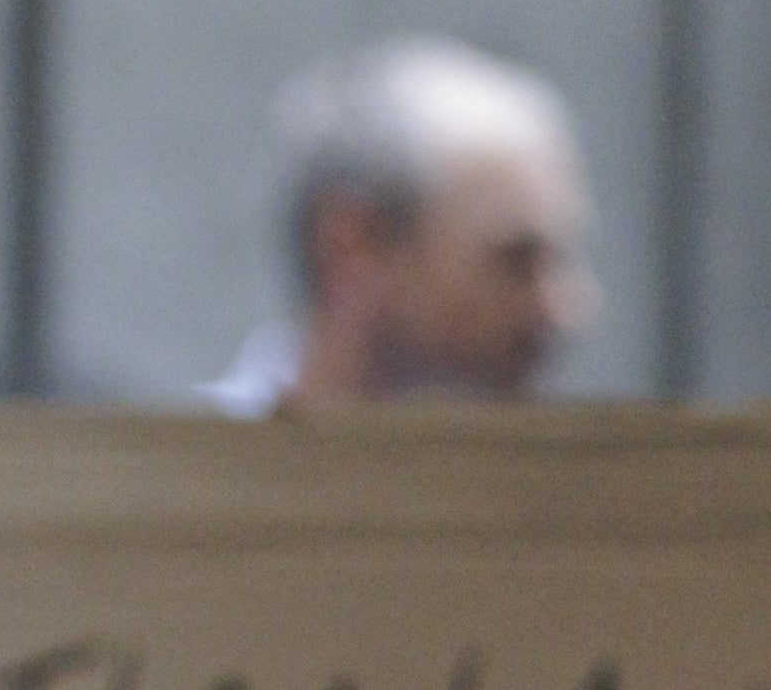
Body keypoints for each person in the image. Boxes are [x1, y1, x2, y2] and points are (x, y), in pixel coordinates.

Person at [216, 38, 599, 416]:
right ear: (354, 250)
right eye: (514, 262)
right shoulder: (180, 471)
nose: (567, 309)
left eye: (559, 260)